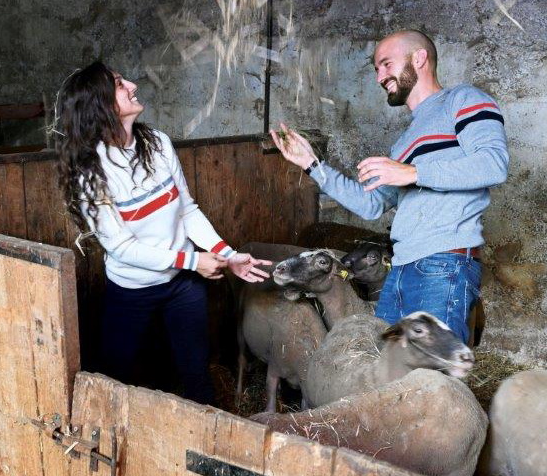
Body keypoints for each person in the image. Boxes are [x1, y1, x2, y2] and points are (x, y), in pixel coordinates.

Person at [270, 29, 508, 343]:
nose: (380, 76)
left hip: (444, 264)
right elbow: (372, 205)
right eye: (376, 69)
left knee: (430, 377)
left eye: (385, 64)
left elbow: (494, 164)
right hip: (399, 269)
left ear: (419, 58)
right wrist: (313, 165)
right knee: (387, 371)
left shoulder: (463, 99)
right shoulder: (404, 142)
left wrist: (411, 172)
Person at [56, 61, 271, 404]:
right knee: (117, 376)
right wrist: (192, 260)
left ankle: (208, 443)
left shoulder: (156, 143)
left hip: (183, 285)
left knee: (196, 370)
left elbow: (187, 210)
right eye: (117, 83)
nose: (131, 83)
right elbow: (124, 248)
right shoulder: (91, 173)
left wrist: (228, 256)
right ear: (100, 105)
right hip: (132, 291)